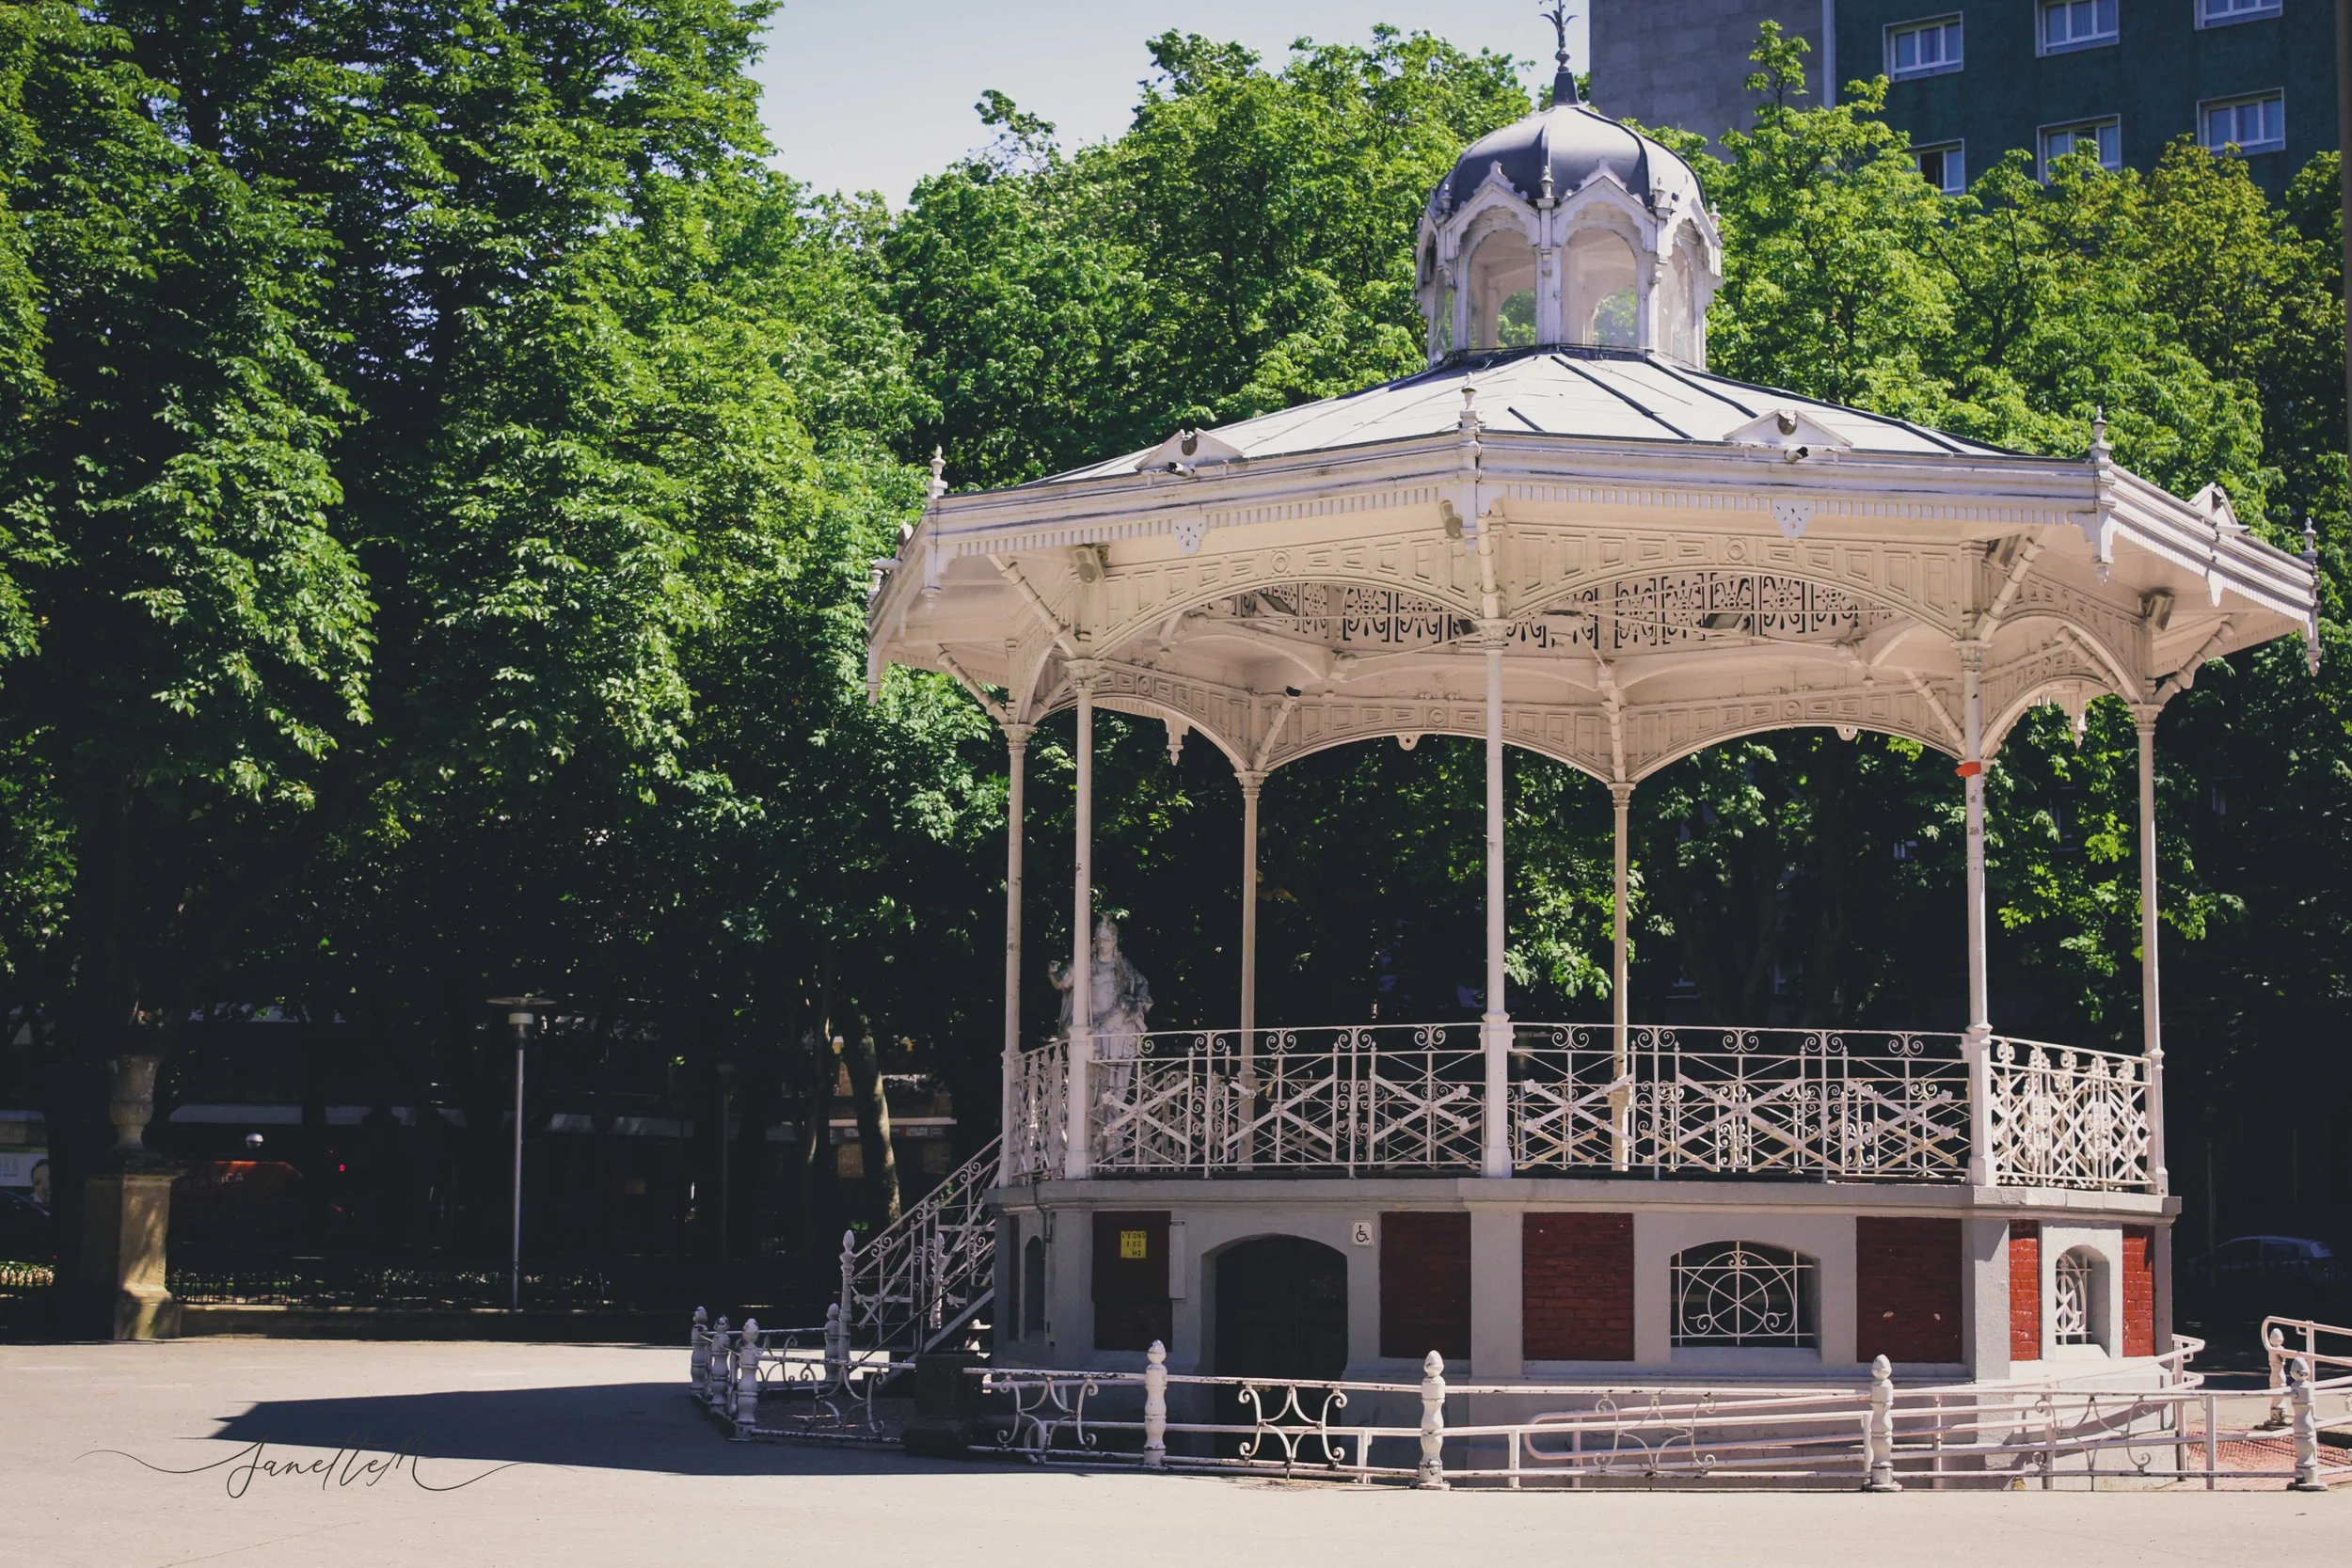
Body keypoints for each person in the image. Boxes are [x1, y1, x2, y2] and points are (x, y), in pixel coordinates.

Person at [1048, 918, 1153, 1148]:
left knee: (1121, 1083)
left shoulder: (1123, 965)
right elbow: (1063, 983)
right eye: (1101, 939)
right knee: (1097, 1085)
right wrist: (1053, 972)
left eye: (1109, 939)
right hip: (1097, 1031)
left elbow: (1142, 985)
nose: (1104, 944)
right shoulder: (1086, 964)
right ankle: (1095, 1135)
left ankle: (1114, 1133)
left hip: (1121, 1028)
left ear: (1115, 941)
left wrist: (1134, 1002)